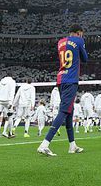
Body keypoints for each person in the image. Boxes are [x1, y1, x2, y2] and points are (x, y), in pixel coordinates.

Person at [37, 25, 88, 157]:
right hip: (71, 80)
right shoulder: (79, 41)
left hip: (61, 79)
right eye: (81, 34)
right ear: (78, 33)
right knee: (64, 111)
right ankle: (45, 144)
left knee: (70, 112)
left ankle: (72, 145)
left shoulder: (60, 42)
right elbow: (85, 59)